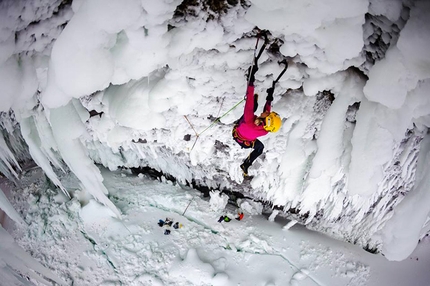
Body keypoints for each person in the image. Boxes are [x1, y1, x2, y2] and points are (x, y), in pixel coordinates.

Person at [232, 60, 282, 176]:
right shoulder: (265, 131)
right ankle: (246, 164)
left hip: (238, 130)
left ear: (266, 120)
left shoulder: (249, 118)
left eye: (268, 115)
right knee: (260, 148)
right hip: (246, 143)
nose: (268, 112)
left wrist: (251, 78)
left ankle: (255, 105)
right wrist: (269, 97)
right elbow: (266, 114)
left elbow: (249, 97)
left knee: (252, 107)